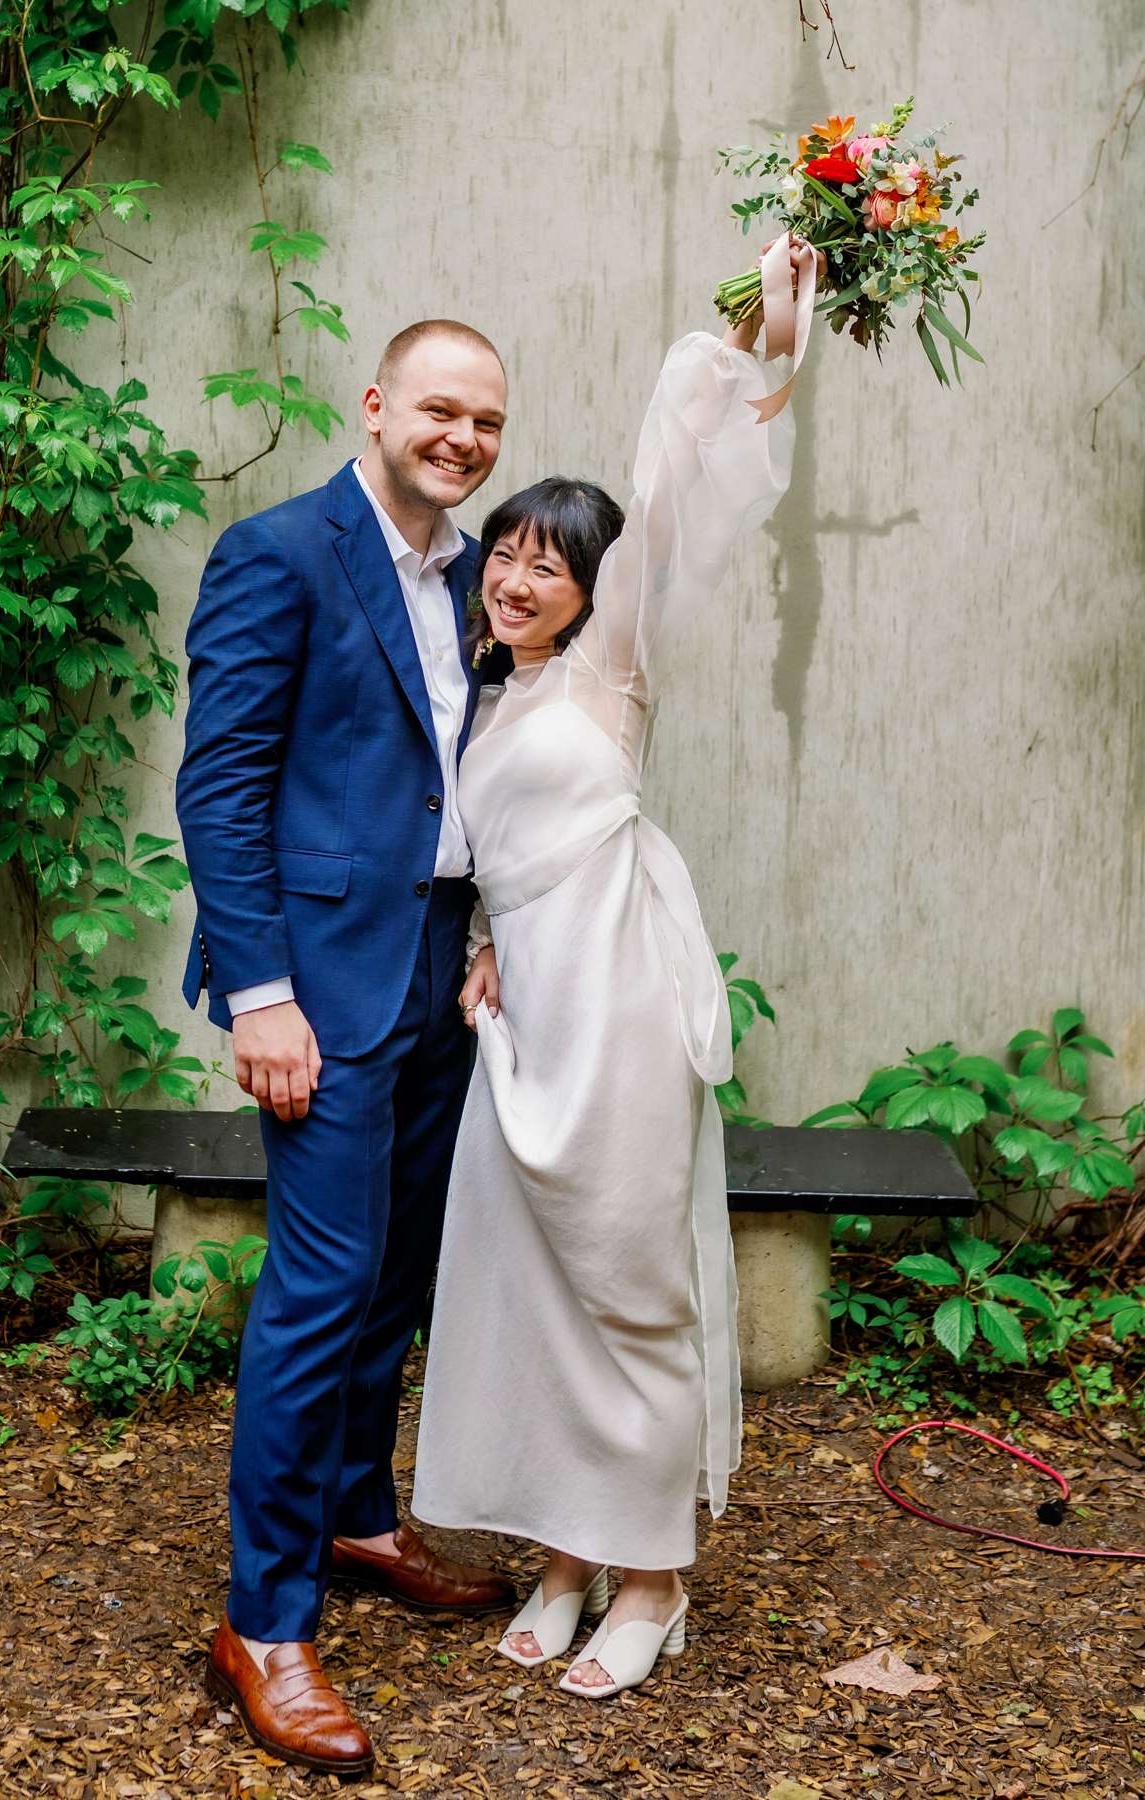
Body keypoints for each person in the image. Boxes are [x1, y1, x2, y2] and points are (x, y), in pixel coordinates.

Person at [412, 239, 820, 1700]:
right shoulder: (491, 698)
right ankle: (567, 1552)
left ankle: (653, 1575)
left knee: (629, 1283)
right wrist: (481, 945)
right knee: (534, 1289)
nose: (519, 577)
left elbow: (674, 484)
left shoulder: (611, 669)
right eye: (506, 552)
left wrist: (760, 345)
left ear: (594, 590)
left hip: (623, 1013)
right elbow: (500, 853)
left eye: (552, 562)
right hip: (525, 1022)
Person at [175, 319, 517, 1778]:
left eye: (485, 421)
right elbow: (219, 785)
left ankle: (358, 1515)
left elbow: (467, 775)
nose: (462, 439)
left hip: (438, 969)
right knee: (319, 1290)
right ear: (375, 405)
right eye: (439, 409)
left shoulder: (479, 576)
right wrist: (259, 993)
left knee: (399, 1271)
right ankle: (263, 1621)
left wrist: (488, 930)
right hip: (317, 983)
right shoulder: (280, 552)